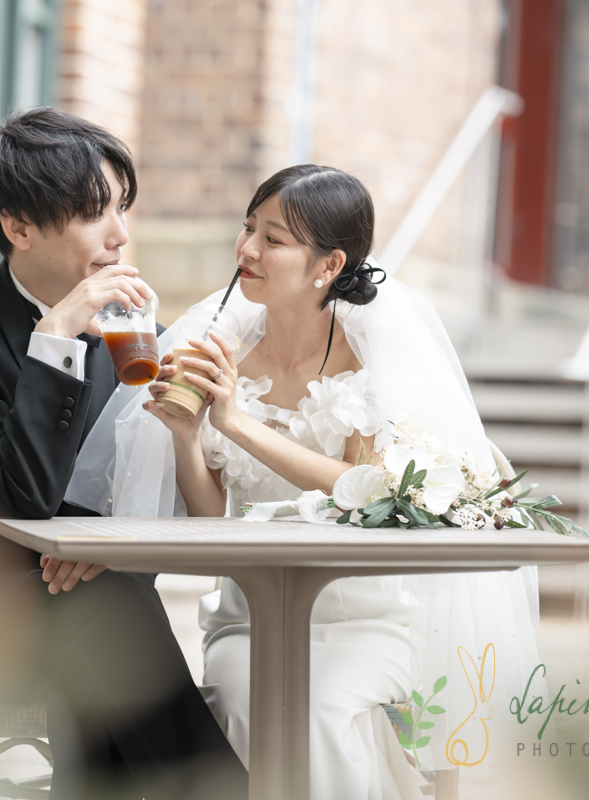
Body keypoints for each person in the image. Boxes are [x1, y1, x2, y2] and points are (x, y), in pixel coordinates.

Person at [67, 165, 545, 800]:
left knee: (317, 707)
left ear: (329, 265)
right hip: (251, 615)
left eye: (273, 239)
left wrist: (235, 423)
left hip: (365, 619)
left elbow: (369, 490)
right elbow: (212, 521)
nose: (247, 249)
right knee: (247, 702)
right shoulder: (220, 347)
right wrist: (186, 435)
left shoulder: (374, 361)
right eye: (247, 229)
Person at [0, 107, 248, 800]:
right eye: (95, 213)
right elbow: (25, 495)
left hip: (82, 596)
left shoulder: (131, 335)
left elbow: (150, 495)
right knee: (103, 611)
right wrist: (57, 337)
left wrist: (107, 546)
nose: (119, 235)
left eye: (122, 209)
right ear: (19, 227)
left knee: (104, 605)